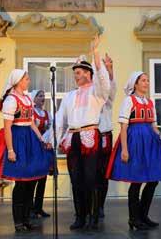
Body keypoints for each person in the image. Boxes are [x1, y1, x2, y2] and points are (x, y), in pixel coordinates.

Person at [0, 69, 53, 232]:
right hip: (18, 139)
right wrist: (10, 150)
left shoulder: (26, 98)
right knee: (21, 182)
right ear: (18, 81)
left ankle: (26, 218)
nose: (28, 81)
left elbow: (31, 123)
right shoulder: (11, 100)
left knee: (31, 180)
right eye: (26, 78)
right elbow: (7, 128)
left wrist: (41, 139)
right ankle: (18, 221)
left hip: (30, 139)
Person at [106, 71, 161, 230]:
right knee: (136, 181)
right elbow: (123, 126)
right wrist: (124, 149)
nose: (146, 83)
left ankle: (143, 215)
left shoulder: (150, 102)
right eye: (143, 80)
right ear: (135, 84)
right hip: (135, 142)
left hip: (150, 142)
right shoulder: (128, 101)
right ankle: (134, 218)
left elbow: (153, 125)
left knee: (153, 180)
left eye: (147, 80)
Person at [56, 35, 111, 230]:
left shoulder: (97, 92)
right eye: (75, 73)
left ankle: (93, 215)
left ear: (88, 73)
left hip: (90, 135)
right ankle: (80, 215)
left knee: (91, 178)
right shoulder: (69, 95)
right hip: (73, 137)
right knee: (75, 179)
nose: (76, 76)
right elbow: (59, 118)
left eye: (79, 72)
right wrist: (57, 139)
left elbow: (104, 82)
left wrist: (95, 53)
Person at [97, 53, 117, 218]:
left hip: (104, 136)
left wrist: (110, 70)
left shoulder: (107, 98)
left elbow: (111, 88)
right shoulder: (88, 93)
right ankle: (87, 207)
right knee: (88, 174)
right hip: (88, 136)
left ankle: (100, 206)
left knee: (103, 174)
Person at [29, 89, 52, 218]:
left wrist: (48, 139)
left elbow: (51, 128)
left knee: (43, 179)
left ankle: (38, 207)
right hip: (34, 147)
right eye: (40, 95)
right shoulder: (31, 113)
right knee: (33, 178)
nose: (42, 98)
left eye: (43, 95)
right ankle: (31, 207)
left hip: (44, 148)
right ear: (34, 98)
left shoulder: (47, 113)